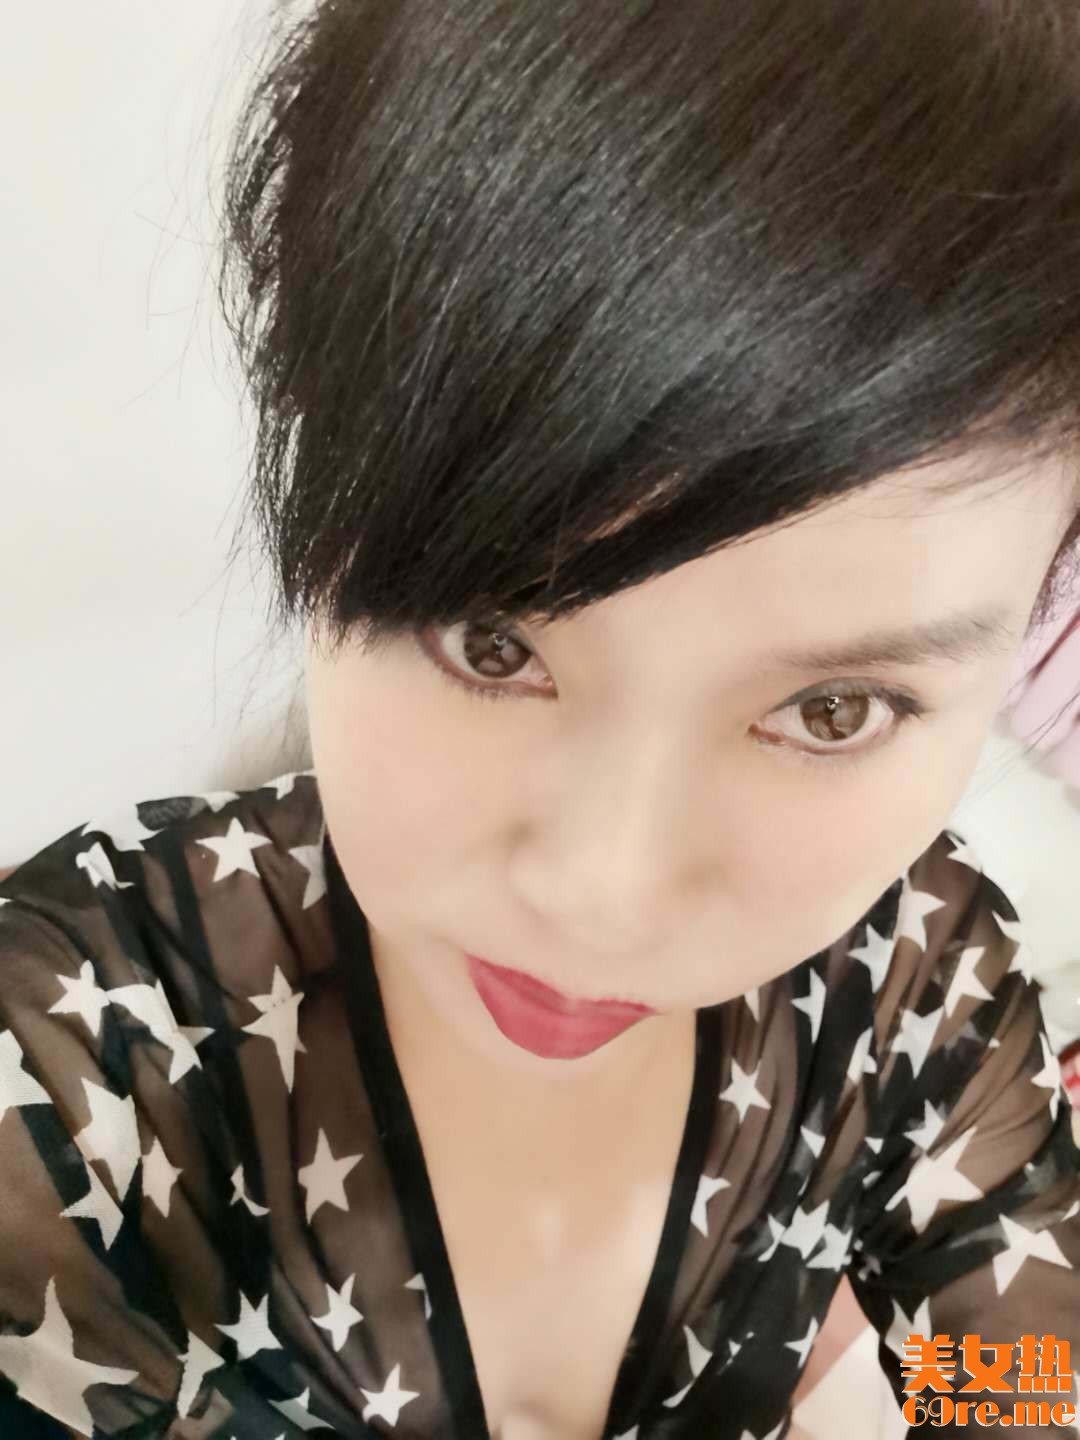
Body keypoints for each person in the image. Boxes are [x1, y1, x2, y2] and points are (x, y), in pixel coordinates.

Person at [2, 1, 1080, 1436]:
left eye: (834, 709)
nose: (603, 897)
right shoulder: (82, 1072)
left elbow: (1019, 1391)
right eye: (491, 640)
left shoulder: (917, 985)